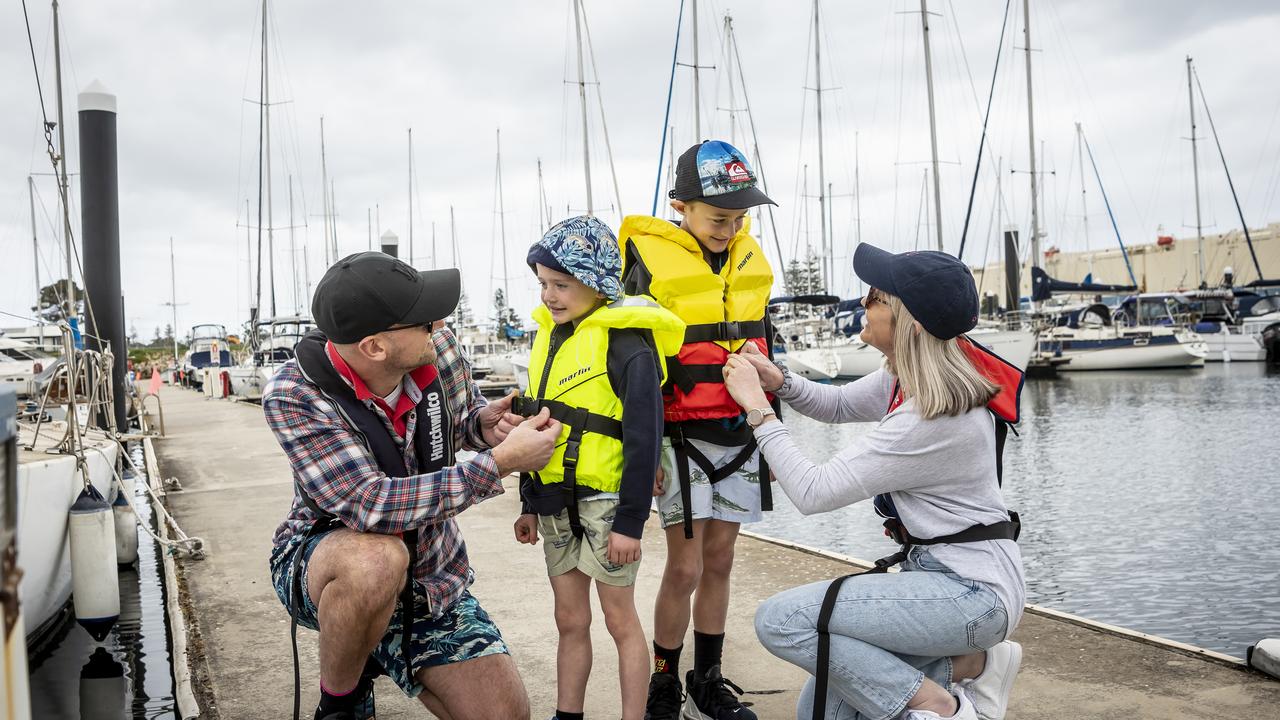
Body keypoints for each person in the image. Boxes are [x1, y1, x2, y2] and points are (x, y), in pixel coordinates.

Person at [720, 244, 1026, 720]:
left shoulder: (929, 419)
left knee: (782, 621)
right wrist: (778, 380)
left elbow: (814, 491)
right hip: (949, 580)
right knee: (819, 713)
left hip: (970, 595)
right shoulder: (914, 376)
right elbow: (837, 406)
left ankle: (941, 705)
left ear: (911, 322)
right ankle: (974, 664)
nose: (862, 302)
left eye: (876, 297)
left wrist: (757, 408)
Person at [264, 251, 561, 720]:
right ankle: (340, 702)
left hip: (430, 581)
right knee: (377, 559)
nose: (439, 322)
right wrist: (500, 463)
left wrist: (485, 427)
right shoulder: (295, 394)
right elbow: (370, 505)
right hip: (328, 564)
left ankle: (372, 646)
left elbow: (458, 422)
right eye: (423, 319)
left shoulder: (438, 348)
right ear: (375, 348)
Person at [618, 140, 778, 720]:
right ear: (679, 206)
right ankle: (664, 680)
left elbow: (766, 340)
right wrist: (644, 454)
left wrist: (771, 413)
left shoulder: (746, 260)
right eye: (718, 218)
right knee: (683, 565)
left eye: (739, 219)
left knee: (722, 560)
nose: (729, 229)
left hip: (738, 431)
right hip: (679, 437)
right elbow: (633, 364)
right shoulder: (647, 262)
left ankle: (706, 679)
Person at [511, 216, 685, 720]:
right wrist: (527, 501)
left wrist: (632, 521)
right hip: (552, 499)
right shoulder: (549, 338)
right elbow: (536, 425)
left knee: (619, 620)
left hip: (608, 504)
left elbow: (644, 438)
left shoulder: (628, 345)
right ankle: (569, 715)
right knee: (569, 618)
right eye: (543, 283)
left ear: (599, 283)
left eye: (561, 284)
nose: (549, 295)